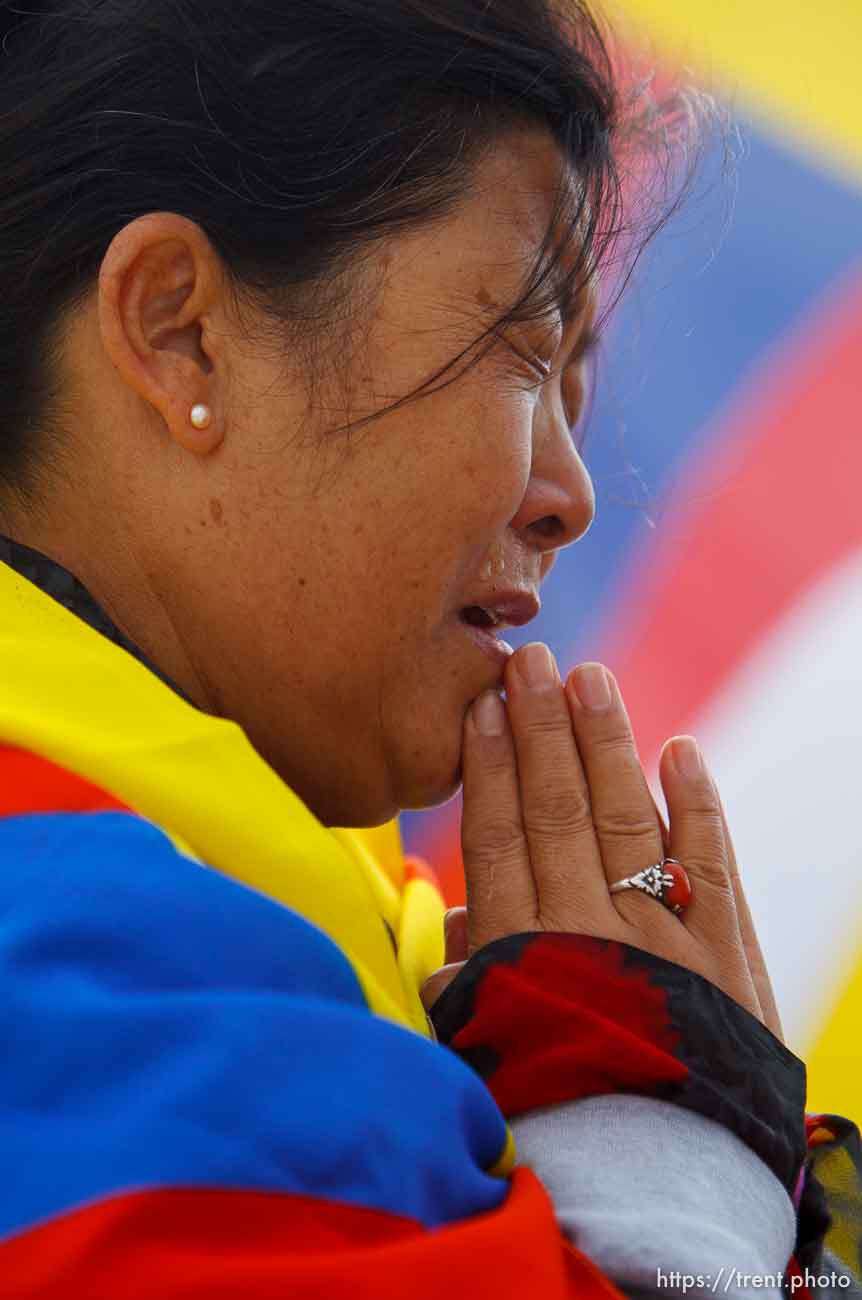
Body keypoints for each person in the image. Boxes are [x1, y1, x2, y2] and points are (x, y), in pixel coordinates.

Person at [0, 0, 857, 1296]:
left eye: (577, 388)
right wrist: (671, 1175)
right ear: (180, 327)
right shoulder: (72, 960)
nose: (570, 496)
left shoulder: (228, 932)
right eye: (517, 350)